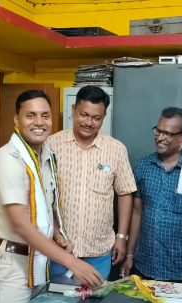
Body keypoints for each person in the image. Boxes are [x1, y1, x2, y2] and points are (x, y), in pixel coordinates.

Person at [0, 90, 103, 303]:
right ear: (16, 120)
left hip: (38, 261)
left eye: (45, 115)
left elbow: (44, 206)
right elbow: (21, 224)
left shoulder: (46, 156)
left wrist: (57, 234)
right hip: (12, 265)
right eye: (30, 115)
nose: (39, 122)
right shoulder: (9, 159)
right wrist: (72, 262)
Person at [46, 86, 136, 281]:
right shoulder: (51, 145)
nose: (88, 122)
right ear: (73, 110)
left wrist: (121, 237)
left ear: (104, 117)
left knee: (95, 299)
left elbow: (125, 193)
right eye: (84, 115)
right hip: (58, 250)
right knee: (55, 298)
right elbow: (42, 193)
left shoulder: (116, 149)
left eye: (96, 118)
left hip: (99, 252)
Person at [121, 107, 182, 288]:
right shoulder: (143, 166)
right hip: (144, 265)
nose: (160, 137)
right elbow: (137, 213)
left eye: (168, 134)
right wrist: (130, 255)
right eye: (158, 131)